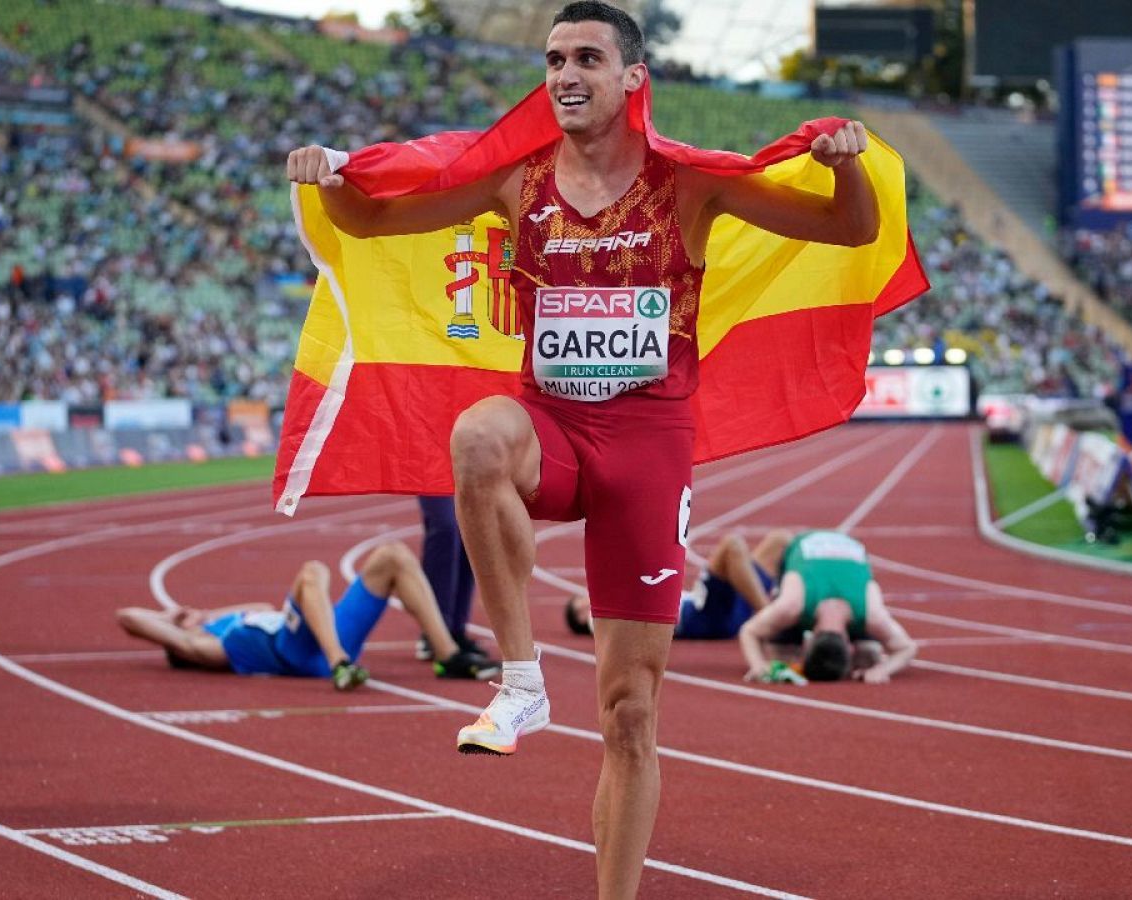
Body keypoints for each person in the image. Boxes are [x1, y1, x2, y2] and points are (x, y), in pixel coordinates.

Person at [286, 3, 880, 895]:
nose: (565, 74)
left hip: (648, 449)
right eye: (554, 58)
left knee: (630, 714)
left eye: (588, 58)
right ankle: (520, 678)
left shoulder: (686, 183)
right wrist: (330, 177)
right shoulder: (516, 181)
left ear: (633, 80)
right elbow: (372, 225)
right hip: (551, 429)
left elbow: (849, 230)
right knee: (479, 435)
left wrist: (850, 165)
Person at [115, 541, 500, 686]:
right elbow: (128, 618)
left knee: (393, 556)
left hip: (325, 632)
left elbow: (263, 608)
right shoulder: (209, 647)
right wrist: (170, 623)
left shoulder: (223, 622)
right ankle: (340, 665)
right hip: (304, 654)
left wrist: (199, 611)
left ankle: (447, 654)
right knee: (313, 570)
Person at [737, 530, 917, 684]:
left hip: (844, 547)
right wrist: (758, 666)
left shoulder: (872, 614)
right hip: (805, 543)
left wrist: (883, 669)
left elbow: (908, 648)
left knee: (868, 657)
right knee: (781, 657)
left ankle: (862, 653)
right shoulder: (791, 604)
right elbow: (748, 631)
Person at [564, 529, 792, 639]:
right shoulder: (598, 619)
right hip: (701, 616)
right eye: (581, 602)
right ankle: (769, 618)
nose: (586, 597)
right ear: (581, 615)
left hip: (714, 607)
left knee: (779, 542)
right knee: (732, 546)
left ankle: (789, 606)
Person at [415, 496, 493, 665]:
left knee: (470, 530)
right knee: (445, 527)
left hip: (470, 469)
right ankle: (435, 631)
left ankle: (457, 630)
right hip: (433, 471)